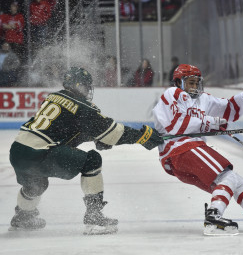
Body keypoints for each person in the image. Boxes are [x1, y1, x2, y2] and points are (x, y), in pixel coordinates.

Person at [8, 67, 164, 234]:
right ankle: (94, 217)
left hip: (18, 151)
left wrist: (94, 137)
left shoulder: (54, 97)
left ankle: (22, 216)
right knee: (91, 161)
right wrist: (143, 136)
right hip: (40, 152)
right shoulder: (82, 106)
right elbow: (113, 133)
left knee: (37, 184)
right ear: (78, 85)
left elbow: (64, 130)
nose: (88, 90)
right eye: (86, 86)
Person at [152, 64, 243, 235]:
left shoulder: (203, 99)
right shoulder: (173, 94)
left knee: (235, 180)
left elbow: (230, 109)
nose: (194, 87)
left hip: (187, 152)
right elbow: (176, 124)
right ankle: (213, 217)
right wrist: (209, 122)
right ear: (178, 82)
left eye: (197, 83)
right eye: (190, 83)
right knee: (227, 176)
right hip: (179, 148)